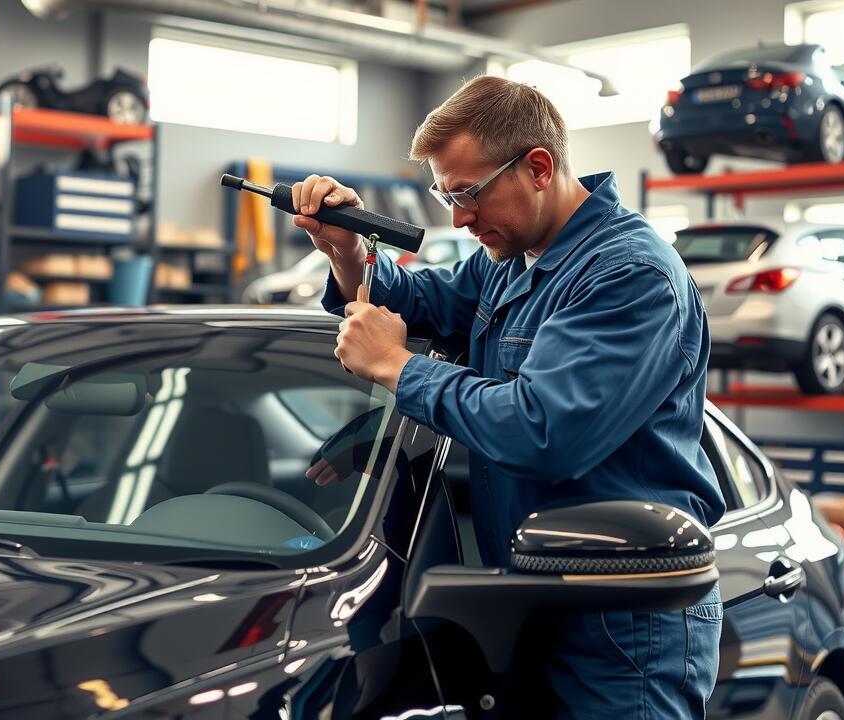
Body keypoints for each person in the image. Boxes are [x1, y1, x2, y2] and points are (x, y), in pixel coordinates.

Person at [295, 76, 728, 718]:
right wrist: (349, 252)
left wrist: (396, 366)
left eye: (468, 194)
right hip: (536, 600)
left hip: (621, 623)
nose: (459, 219)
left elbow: (544, 432)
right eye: (447, 196)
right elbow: (428, 300)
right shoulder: (515, 258)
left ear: (538, 167)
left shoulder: (631, 275)